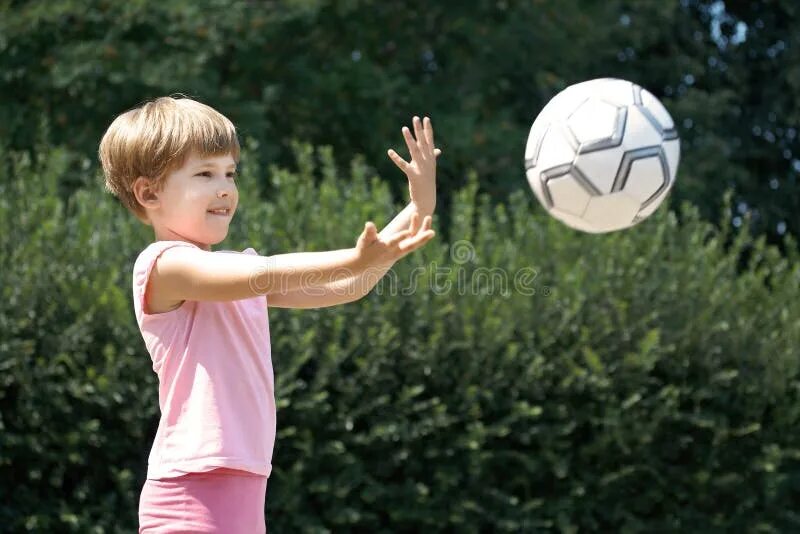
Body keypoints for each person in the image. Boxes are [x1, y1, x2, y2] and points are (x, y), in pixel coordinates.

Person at [98, 95, 441, 533]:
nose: (225, 188)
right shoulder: (164, 265)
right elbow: (268, 272)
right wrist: (353, 259)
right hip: (191, 491)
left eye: (229, 173)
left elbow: (348, 286)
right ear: (149, 193)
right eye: (204, 174)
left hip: (242, 484)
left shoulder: (236, 276)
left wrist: (418, 209)